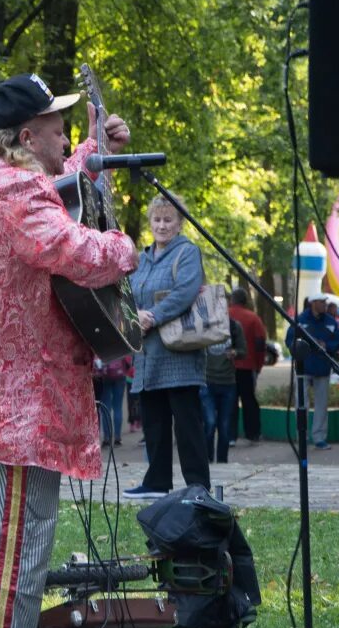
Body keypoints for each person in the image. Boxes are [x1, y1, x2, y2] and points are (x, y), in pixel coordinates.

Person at [0, 73, 137, 628]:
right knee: (9, 571)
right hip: (15, 417)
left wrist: (93, 152)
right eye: (58, 127)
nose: (67, 136)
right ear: (25, 135)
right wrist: (124, 247)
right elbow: (77, 251)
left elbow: (57, 182)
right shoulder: (16, 192)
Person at [125, 194, 211, 495]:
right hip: (148, 357)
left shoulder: (186, 252)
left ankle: (198, 486)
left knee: (187, 426)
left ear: (179, 223)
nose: (162, 225)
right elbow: (130, 294)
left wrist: (153, 316)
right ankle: (157, 481)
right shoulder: (143, 258)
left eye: (168, 219)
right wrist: (133, 315)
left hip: (179, 355)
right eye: (157, 219)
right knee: (154, 424)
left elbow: (185, 292)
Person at [285, 295, 339, 450]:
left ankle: (319, 437)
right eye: (322, 302)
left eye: (325, 302)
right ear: (313, 304)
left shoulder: (330, 322)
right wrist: (300, 350)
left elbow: (338, 340)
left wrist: (328, 346)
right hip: (303, 368)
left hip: (322, 368)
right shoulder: (300, 320)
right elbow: (290, 339)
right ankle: (301, 436)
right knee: (301, 404)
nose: (325, 305)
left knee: (321, 404)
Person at [201, 306, 246, 463]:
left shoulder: (234, 326)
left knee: (225, 427)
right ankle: (207, 460)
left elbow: (243, 350)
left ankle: (222, 462)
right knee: (210, 423)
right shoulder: (204, 325)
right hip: (207, 382)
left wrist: (235, 352)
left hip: (228, 383)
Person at [229, 287, 267, 442]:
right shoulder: (253, 318)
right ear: (246, 301)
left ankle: (229, 435)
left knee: (229, 402)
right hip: (247, 365)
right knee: (249, 400)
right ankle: (253, 433)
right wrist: (258, 366)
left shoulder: (223, 315)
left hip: (226, 367)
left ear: (232, 300)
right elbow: (260, 344)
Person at [93, 354, 132, 447]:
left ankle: (107, 438)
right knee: (118, 407)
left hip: (105, 373)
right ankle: (117, 438)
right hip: (119, 373)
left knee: (106, 407)